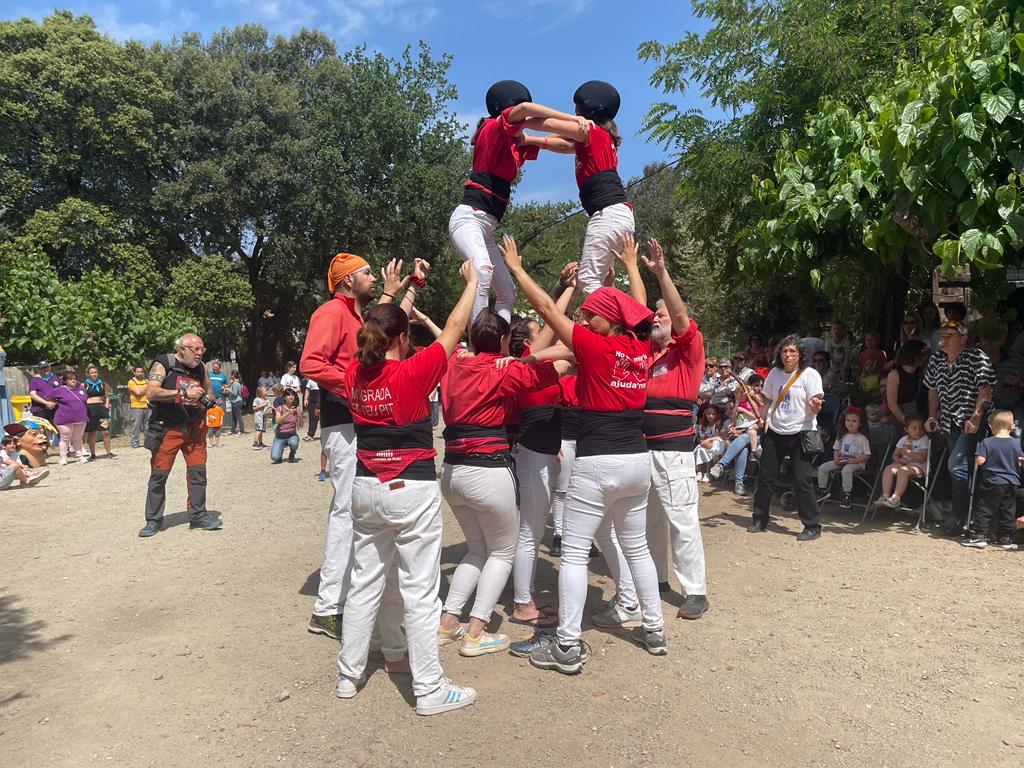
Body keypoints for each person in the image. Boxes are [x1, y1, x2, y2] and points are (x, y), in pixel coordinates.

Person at [500, 234, 667, 673]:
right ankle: (654, 629)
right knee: (639, 550)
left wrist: (517, 271)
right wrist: (631, 267)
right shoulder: (640, 347)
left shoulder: (596, 347)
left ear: (608, 323)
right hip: (637, 461)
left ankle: (568, 646)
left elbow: (549, 312)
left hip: (598, 461)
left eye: (592, 314)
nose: (586, 317)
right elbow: (641, 311)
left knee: (573, 553)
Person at [336, 260, 478, 715]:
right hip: (409, 488)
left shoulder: (353, 375)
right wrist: (474, 281)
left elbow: (372, 329)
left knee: (363, 583)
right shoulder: (414, 371)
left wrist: (397, 294)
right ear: (402, 338)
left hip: (365, 485)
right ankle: (430, 690)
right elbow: (456, 326)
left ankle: (348, 674)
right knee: (420, 591)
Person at [299, 251, 414, 640]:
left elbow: (374, 335)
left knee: (355, 508)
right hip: (343, 421)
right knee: (347, 510)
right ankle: (329, 608)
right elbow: (311, 364)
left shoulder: (354, 314)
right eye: (366, 272)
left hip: (354, 421)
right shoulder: (330, 312)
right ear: (347, 280)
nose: (372, 275)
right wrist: (353, 384)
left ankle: (345, 601)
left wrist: (398, 292)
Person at [439, 309, 562, 653]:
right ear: (505, 341)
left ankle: (448, 623)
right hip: (488, 469)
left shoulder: (452, 362)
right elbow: (548, 360)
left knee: (477, 550)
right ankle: (475, 632)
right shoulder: (504, 371)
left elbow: (447, 335)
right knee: (502, 553)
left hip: (451, 470)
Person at [450, 80, 589, 321]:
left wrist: (585, 136)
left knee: (507, 292)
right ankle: (478, 349)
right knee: (482, 274)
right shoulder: (492, 128)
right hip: (469, 219)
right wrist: (572, 119)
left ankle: (498, 344)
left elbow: (566, 146)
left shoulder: (512, 143)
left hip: (486, 228)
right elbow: (526, 110)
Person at [637, 238, 709, 619]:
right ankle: (658, 579)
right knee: (650, 520)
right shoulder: (647, 355)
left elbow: (679, 317)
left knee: (682, 519)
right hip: (641, 449)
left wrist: (661, 274)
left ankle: (695, 590)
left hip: (674, 452)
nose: (656, 318)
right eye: (654, 316)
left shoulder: (689, 350)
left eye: (660, 315)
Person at [519, 82, 631, 296]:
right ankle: (611, 324)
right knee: (601, 281)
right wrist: (530, 141)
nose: (574, 113)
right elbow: (562, 144)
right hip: (616, 214)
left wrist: (517, 122)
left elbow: (550, 124)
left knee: (588, 281)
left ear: (588, 110)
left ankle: (602, 327)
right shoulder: (598, 138)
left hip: (607, 215)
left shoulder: (590, 130)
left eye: (577, 110)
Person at [138, 333, 222, 538]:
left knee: (198, 473)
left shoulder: (201, 368)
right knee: (159, 475)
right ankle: (153, 520)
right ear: (182, 349)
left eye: (202, 349)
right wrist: (182, 394)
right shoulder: (164, 363)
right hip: (168, 428)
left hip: (195, 428)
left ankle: (198, 516)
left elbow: (211, 393)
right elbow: (151, 392)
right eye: (196, 349)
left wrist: (206, 398)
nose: (200, 353)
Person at [749, 336, 826, 540]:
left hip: (802, 431)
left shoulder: (810, 375)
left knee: (802, 480)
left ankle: (812, 526)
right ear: (779, 354)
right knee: (766, 476)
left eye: (792, 351)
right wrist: (753, 394)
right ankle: (760, 519)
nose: (788, 355)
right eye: (784, 351)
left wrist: (815, 406)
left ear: (800, 354)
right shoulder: (774, 373)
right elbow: (767, 398)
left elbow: (817, 403)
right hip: (776, 430)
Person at [923, 321, 995, 534]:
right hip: (948, 421)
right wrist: (931, 415)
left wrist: (975, 417)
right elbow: (932, 389)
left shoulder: (977, 357)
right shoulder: (937, 358)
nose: (942, 340)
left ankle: (958, 516)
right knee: (961, 468)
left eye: (948, 336)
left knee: (956, 465)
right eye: (942, 336)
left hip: (970, 422)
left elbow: (985, 389)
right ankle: (971, 516)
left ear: (963, 338)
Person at [962, 410, 1022, 549]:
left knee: (984, 508)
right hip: (1012, 482)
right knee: (1007, 510)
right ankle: (1005, 538)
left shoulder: (987, 442)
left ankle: (979, 536)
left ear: (991, 426)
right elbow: (1019, 461)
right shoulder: (1016, 443)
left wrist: (977, 457)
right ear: (1012, 426)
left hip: (993, 481)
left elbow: (981, 461)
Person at [816, 409, 870, 508]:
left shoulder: (862, 438)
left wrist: (855, 461)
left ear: (860, 424)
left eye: (854, 421)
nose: (850, 423)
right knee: (823, 467)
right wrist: (836, 458)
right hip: (842, 460)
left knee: (847, 469)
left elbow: (867, 455)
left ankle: (847, 494)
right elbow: (836, 450)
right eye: (848, 420)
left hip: (857, 463)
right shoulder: (841, 436)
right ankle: (822, 489)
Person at [874, 415, 930, 508]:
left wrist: (908, 453)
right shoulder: (903, 439)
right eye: (914, 428)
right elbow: (895, 455)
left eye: (920, 428)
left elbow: (922, 458)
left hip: (919, 465)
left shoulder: (924, 439)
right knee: (888, 469)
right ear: (906, 429)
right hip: (904, 463)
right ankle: (885, 495)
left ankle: (896, 498)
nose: (918, 431)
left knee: (903, 471)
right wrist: (898, 460)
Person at [885, 339, 928, 431]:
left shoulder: (923, 372)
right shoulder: (895, 375)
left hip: (922, 417)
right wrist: (905, 420)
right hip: (902, 421)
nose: (926, 357)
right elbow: (892, 403)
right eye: (923, 354)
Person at [51, 370, 89, 466]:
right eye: (70, 379)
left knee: (78, 438)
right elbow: (49, 396)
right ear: (65, 381)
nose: (73, 380)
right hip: (65, 418)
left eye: (74, 379)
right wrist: (58, 403)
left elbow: (85, 399)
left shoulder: (81, 388)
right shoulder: (60, 389)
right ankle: (63, 458)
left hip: (80, 417)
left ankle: (80, 456)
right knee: (65, 438)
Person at [83, 365, 115, 459]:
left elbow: (107, 395)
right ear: (88, 374)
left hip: (101, 408)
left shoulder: (102, 383)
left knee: (105, 431)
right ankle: (93, 454)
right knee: (92, 432)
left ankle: (108, 452)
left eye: (96, 372)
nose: (94, 374)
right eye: (92, 373)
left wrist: (106, 405)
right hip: (90, 409)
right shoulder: (84, 384)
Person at [693, 405, 727, 481]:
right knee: (700, 448)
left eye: (713, 414)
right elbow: (702, 439)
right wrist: (704, 443)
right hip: (707, 444)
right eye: (708, 414)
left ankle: (707, 473)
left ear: (717, 415)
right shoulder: (704, 426)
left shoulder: (719, 425)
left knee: (710, 449)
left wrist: (709, 440)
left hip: (718, 444)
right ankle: (699, 472)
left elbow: (721, 437)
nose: (710, 416)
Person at [271, 388, 302, 464]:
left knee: (294, 443)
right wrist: (288, 413)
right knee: (275, 458)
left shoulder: (297, 408)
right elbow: (278, 421)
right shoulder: (280, 408)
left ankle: (292, 452)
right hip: (280, 436)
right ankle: (279, 452)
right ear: (284, 397)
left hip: (292, 435)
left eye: (293, 395)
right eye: (289, 395)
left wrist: (300, 416)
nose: (291, 397)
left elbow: (301, 425)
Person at [28, 361, 60, 427]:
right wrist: (46, 403)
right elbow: (32, 394)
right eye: (42, 368)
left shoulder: (56, 378)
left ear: (50, 367)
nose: (45, 369)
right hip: (40, 410)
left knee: (59, 429)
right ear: (39, 370)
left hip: (55, 409)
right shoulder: (35, 380)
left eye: (46, 367)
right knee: (42, 430)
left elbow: (61, 392)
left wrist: (54, 402)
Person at [127, 366, 150, 449]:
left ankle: (148, 443)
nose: (140, 373)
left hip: (147, 406)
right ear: (134, 373)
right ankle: (135, 443)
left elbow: (152, 391)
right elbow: (138, 392)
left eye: (141, 372)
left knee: (147, 426)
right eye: (138, 372)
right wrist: (147, 388)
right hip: (136, 406)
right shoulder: (131, 382)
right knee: (136, 426)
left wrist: (144, 389)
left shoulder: (147, 381)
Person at [227, 370, 246, 435]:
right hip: (235, 401)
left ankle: (241, 430)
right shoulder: (237, 383)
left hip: (236, 401)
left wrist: (228, 389)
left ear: (233, 375)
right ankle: (232, 430)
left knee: (238, 416)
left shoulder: (235, 383)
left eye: (231, 375)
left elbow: (235, 394)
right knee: (234, 416)